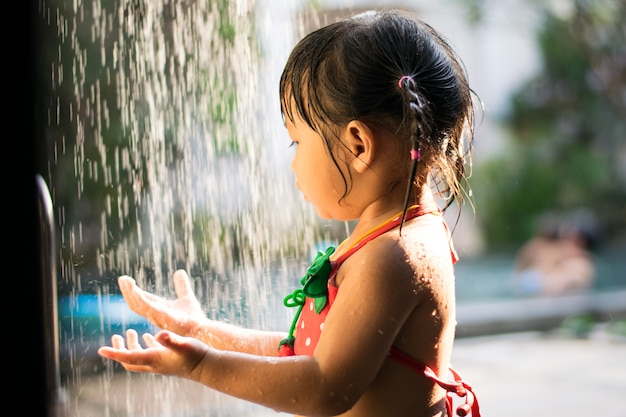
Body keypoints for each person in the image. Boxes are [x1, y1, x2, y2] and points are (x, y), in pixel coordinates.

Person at [98, 9, 481, 417]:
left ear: (358, 145)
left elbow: (323, 387)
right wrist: (201, 331)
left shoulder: (393, 255)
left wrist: (201, 365)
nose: (294, 164)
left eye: (296, 141)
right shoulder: (401, 232)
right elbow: (300, 352)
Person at [513, 211, 597, 297]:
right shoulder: (561, 258)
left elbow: (551, 287)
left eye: (566, 236)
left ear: (579, 241)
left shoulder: (579, 265)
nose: (561, 240)